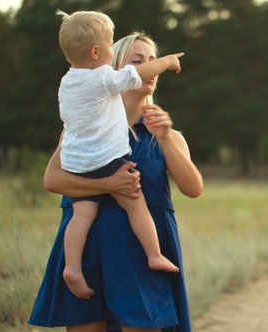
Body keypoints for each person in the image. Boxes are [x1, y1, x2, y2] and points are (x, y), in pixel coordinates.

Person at [28, 30, 203, 332]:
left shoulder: (167, 135)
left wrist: (165, 138)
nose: (152, 66)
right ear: (118, 70)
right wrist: (107, 185)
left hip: (142, 253)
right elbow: (53, 179)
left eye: (153, 60)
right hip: (88, 248)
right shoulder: (82, 129)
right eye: (139, 60)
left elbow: (193, 189)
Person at [55, 10, 184, 299]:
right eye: (111, 45)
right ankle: (154, 254)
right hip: (106, 160)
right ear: (98, 52)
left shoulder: (68, 82)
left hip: (78, 162)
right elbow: (134, 76)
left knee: (81, 214)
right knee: (135, 202)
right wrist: (165, 62)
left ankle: (72, 266)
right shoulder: (104, 78)